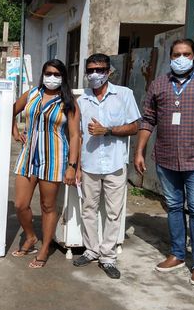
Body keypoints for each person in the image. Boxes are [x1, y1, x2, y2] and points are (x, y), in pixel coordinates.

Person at [134, 38, 194, 285]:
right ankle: (178, 254)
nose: (181, 58)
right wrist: (139, 151)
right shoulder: (159, 84)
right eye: (176, 54)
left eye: (186, 54)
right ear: (170, 57)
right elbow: (148, 119)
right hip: (166, 159)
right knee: (174, 207)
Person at [73, 54, 140, 279]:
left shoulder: (124, 94)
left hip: (115, 163)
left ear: (109, 71)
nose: (95, 74)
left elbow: (134, 127)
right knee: (88, 209)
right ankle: (91, 250)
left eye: (100, 70)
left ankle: (108, 256)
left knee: (114, 212)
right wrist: (76, 166)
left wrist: (108, 130)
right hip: (89, 163)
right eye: (91, 70)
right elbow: (78, 135)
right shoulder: (81, 100)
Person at [11, 59, 80, 268]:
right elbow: (10, 110)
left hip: (54, 158)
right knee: (20, 204)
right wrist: (15, 132)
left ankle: (44, 248)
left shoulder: (68, 101)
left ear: (63, 77)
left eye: (57, 74)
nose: (52, 77)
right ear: (43, 74)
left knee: (47, 206)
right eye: (48, 73)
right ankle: (31, 236)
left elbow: (75, 136)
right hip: (28, 155)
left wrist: (72, 166)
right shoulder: (32, 94)